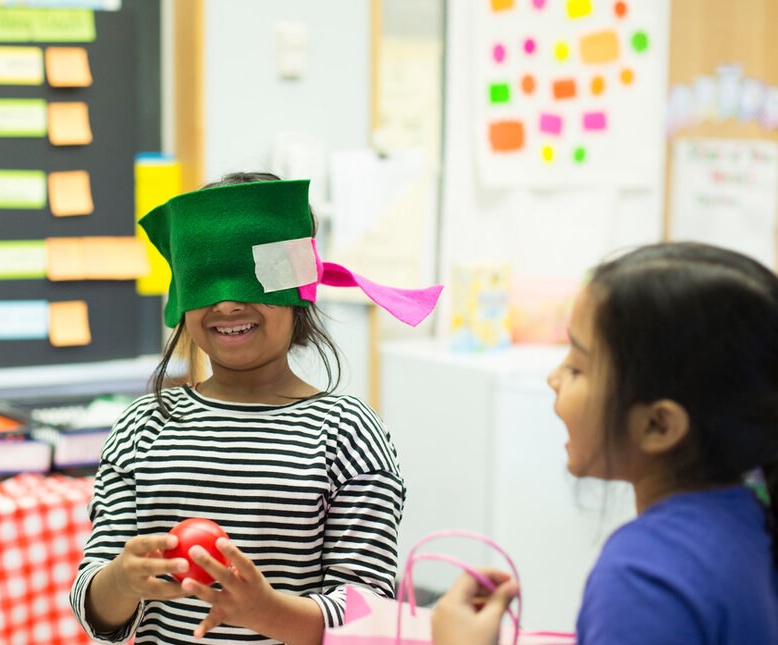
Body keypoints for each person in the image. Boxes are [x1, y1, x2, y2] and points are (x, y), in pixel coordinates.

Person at [69, 172, 443, 644]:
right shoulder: (142, 427)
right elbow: (92, 604)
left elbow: (367, 618)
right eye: (206, 279)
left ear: (297, 290)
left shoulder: (347, 434)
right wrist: (121, 580)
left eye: (251, 280)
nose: (226, 303)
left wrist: (263, 611)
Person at [431, 242, 778, 644]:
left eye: (577, 367)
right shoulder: (751, 514)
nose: (554, 378)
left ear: (658, 425)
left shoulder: (644, 575)